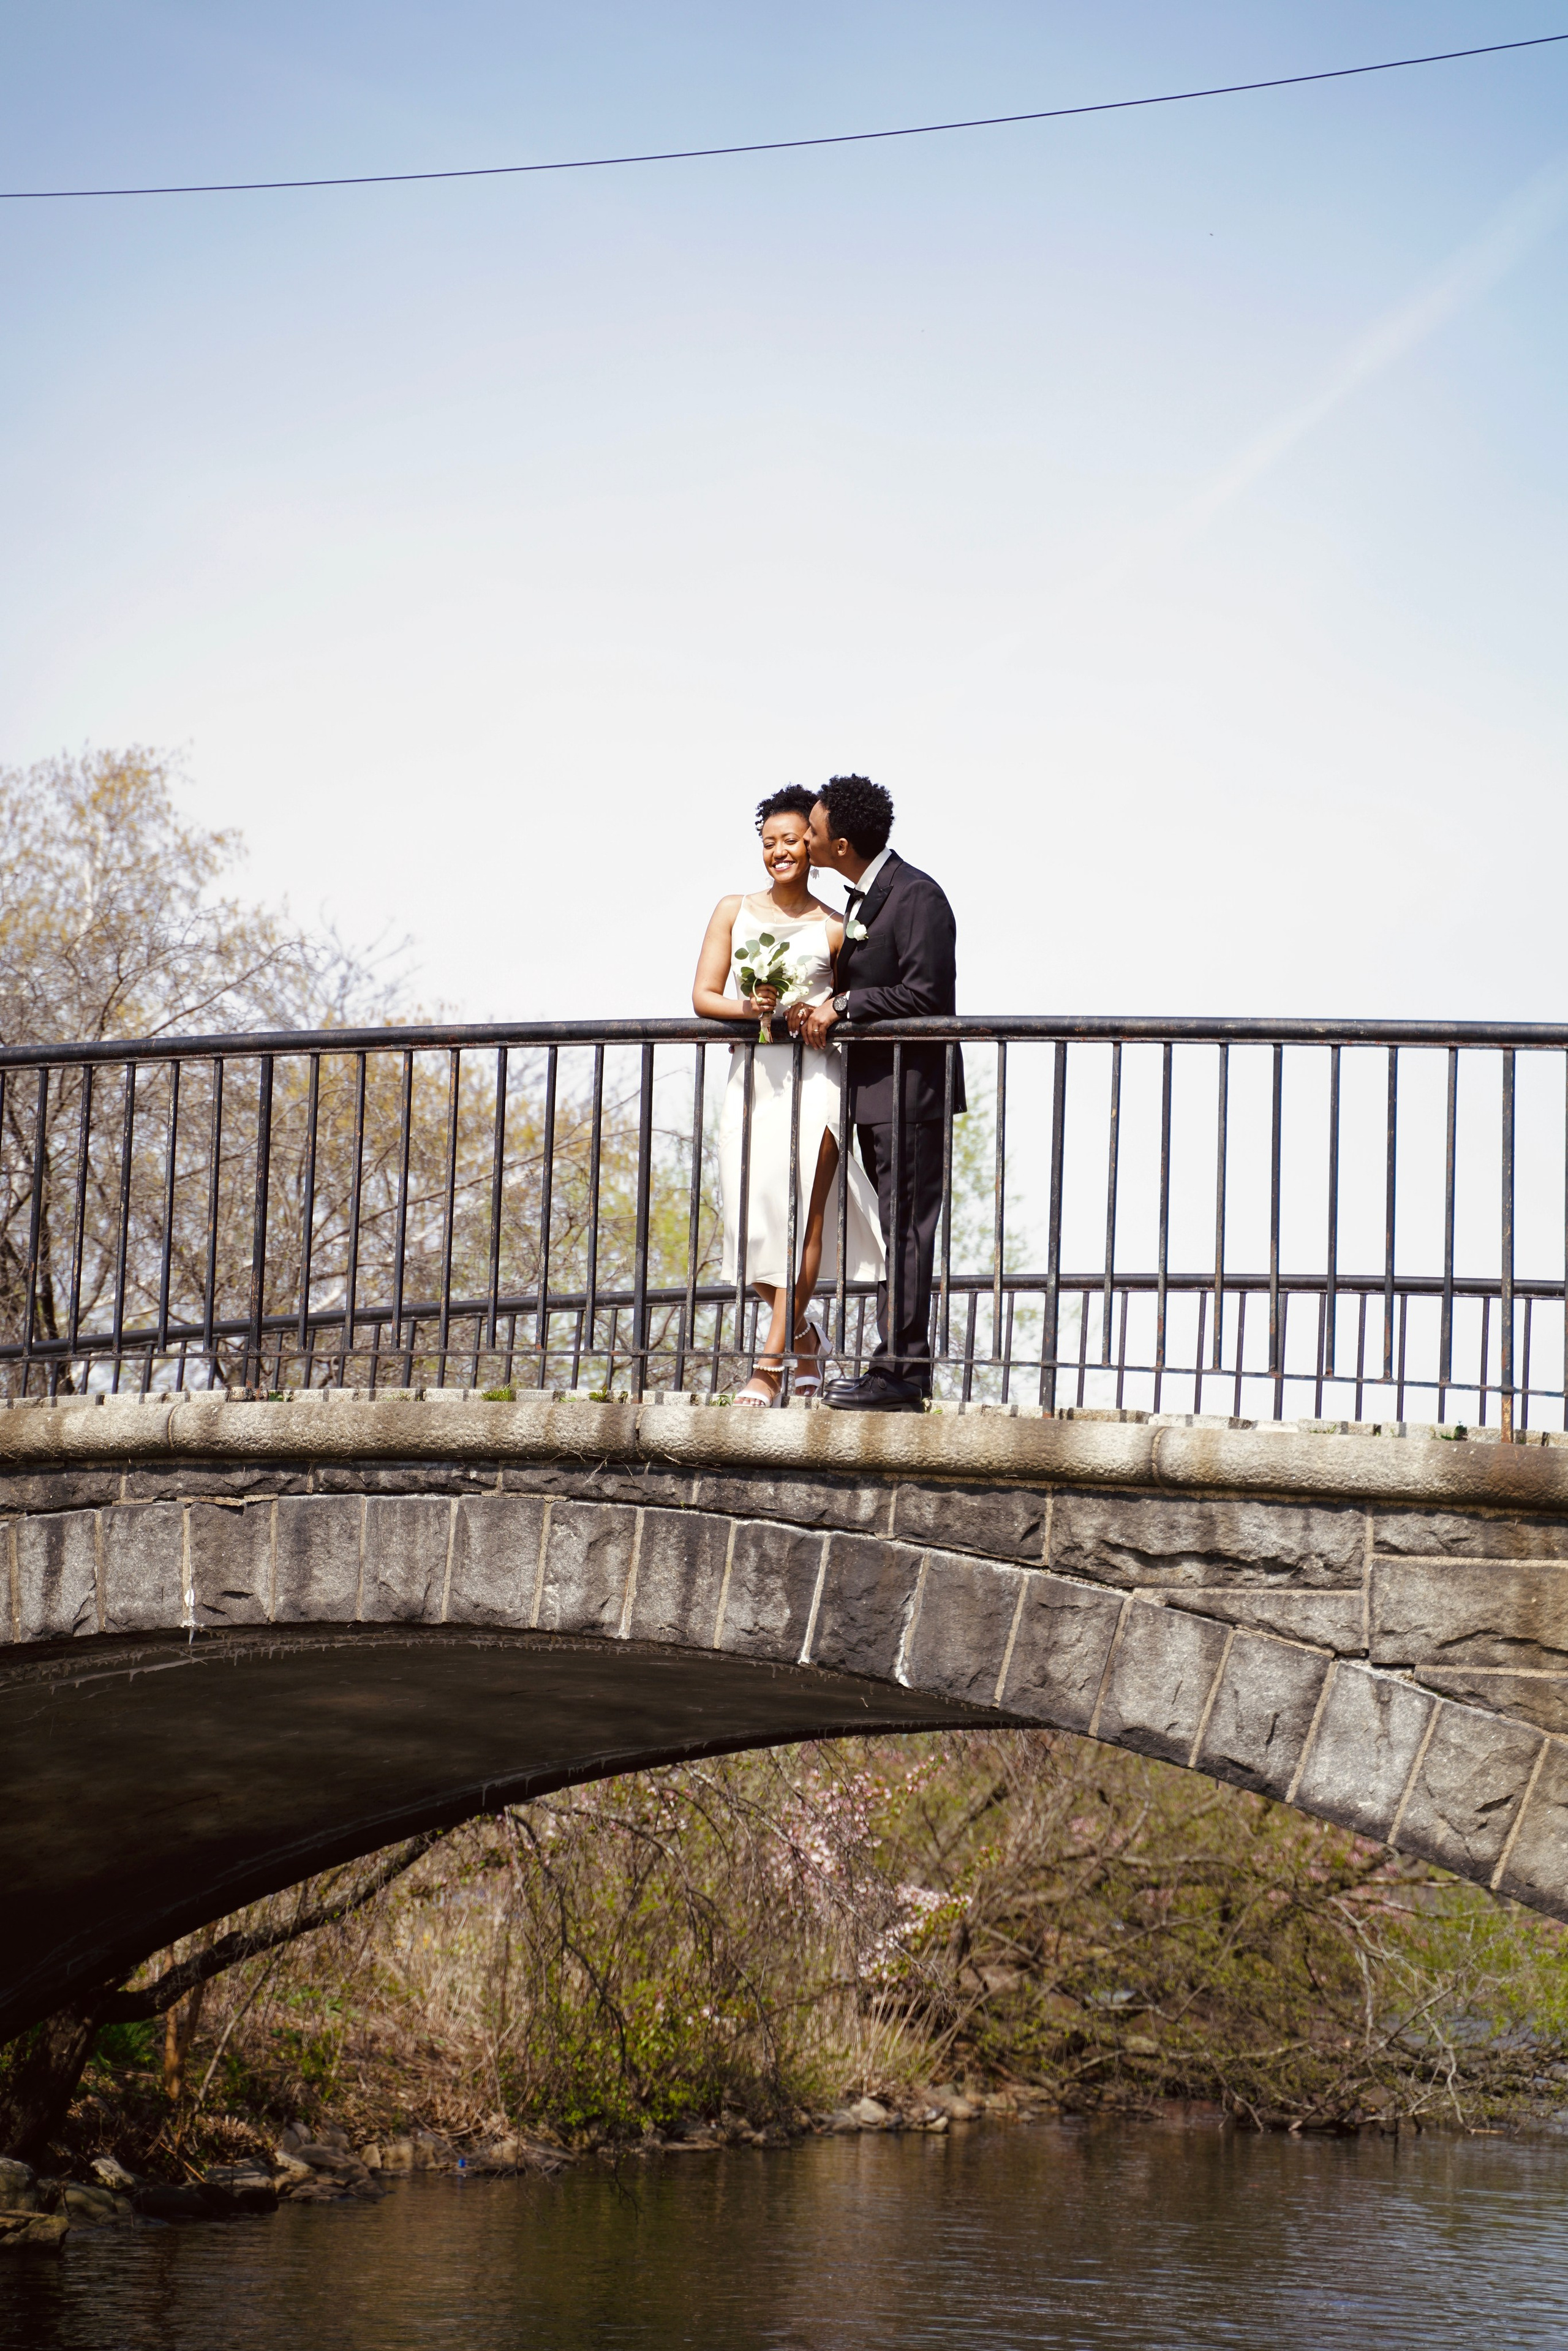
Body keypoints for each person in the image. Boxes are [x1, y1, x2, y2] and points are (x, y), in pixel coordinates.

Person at [692, 787, 884, 1407]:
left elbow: (851, 1007)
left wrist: (822, 1012)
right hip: (752, 1080)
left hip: (816, 1081)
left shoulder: (835, 927)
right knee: (751, 1226)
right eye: (768, 841)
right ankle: (803, 1334)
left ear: (815, 846)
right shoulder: (732, 909)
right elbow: (703, 996)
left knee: (803, 1217)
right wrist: (749, 1012)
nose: (779, 851)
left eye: (791, 840)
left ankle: (768, 1366)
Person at [790, 774, 964, 1412]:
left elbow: (927, 996)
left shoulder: (916, 896)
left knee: (908, 1231)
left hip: (911, 1092)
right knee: (898, 1231)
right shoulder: (865, 899)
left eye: (810, 831)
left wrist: (845, 1003)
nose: (804, 840)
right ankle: (896, 1366)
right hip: (875, 1091)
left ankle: (900, 1373)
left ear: (838, 843)